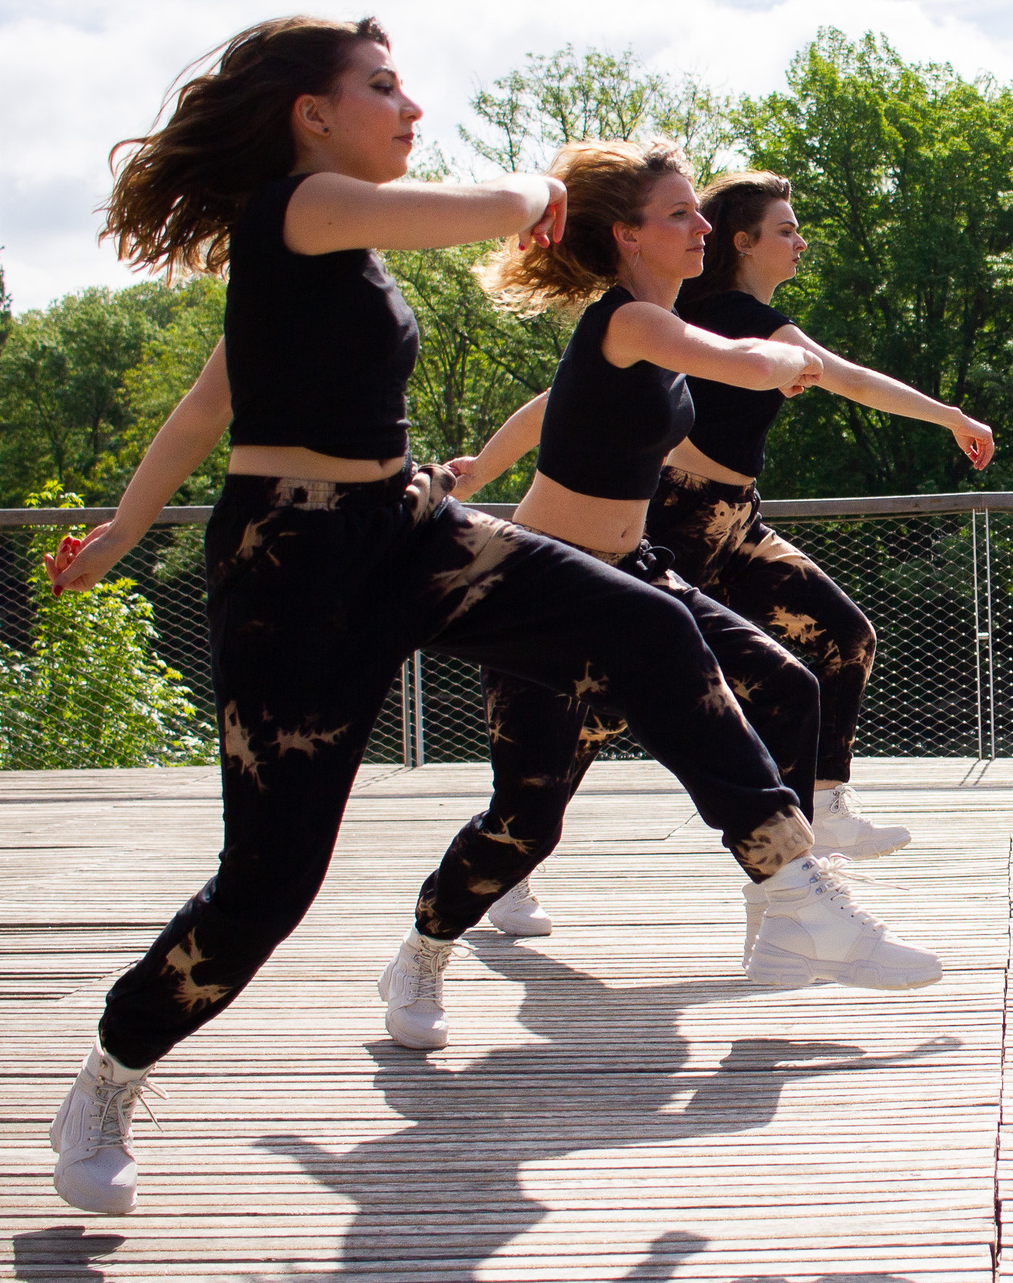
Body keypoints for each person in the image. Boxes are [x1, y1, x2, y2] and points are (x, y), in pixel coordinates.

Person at [36, 18, 934, 1218]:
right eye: (382, 87)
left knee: (653, 628)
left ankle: (789, 884)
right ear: (312, 113)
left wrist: (114, 537)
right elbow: (213, 410)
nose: (408, 107)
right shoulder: (300, 213)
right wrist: (539, 192)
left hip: (407, 533)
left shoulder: (334, 259)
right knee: (268, 882)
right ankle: (111, 1071)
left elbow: (211, 401)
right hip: (292, 566)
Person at [392, 138, 937, 1017]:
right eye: (681, 213)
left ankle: (785, 914)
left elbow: (554, 401)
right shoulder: (634, 320)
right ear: (628, 236)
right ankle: (422, 949)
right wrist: (793, 363)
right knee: (525, 819)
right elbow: (750, 364)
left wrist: (484, 462)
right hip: (548, 590)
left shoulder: (650, 332)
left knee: (790, 685)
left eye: (701, 211)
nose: (703, 226)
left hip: (637, 576)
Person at [647, 170, 994, 865]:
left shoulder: (743, 317)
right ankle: (513, 846)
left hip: (736, 524)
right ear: (744, 243)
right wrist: (950, 416)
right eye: (786, 229)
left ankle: (827, 802)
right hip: (678, 526)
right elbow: (853, 379)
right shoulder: (731, 317)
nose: (800, 242)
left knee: (846, 635)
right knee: (603, 703)